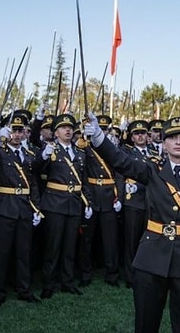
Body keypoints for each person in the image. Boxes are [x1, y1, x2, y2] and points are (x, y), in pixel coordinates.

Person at [84, 114, 180, 333]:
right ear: (164, 144)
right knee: (145, 323)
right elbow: (121, 161)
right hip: (151, 256)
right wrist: (98, 137)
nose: (178, 142)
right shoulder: (151, 169)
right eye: (172, 138)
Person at [0, 113, 43, 307]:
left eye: (20, 131)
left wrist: (36, 208)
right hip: (5, 206)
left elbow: (33, 183)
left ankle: (24, 289)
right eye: (14, 130)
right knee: (1, 252)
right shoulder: (0, 151)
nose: (17, 135)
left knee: (23, 252)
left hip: (24, 207)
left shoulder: (29, 156)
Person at [37, 114, 92, 299]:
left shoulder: (80, 152)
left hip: (74, 204)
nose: (68, 130)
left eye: (70, 127)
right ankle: (48, 283)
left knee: (70, 246)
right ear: (56, 132)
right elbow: (35, 170)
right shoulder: (50, 150)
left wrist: (88, 202)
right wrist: (43, 156)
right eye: (63, 127)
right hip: (54, 203)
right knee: (53, 246)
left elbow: (84, 180)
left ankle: (67, 282)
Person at [79, 114, 121, 288]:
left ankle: (112, 274)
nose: (102, 131)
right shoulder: (85, 147)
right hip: (92, 194)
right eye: (100, 128)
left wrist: (119, 196)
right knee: (87, 239)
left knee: (110, 239)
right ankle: (85, 273)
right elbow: (81, 173)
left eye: (105, 129)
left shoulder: (111, 147)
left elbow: (119, 172)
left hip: (110, 196)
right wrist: (86, 199)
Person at [119, 120, 159, 288]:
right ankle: (130, 276)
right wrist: (120, 196)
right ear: (132, 137)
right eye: (136, 133)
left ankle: (145, 274)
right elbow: (120, 173)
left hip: (149, 201)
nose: (140, 136)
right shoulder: (127, 152)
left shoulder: (154, 152)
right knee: (131, 241)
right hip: (133, 200)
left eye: (143, 133)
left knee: (148, 241)